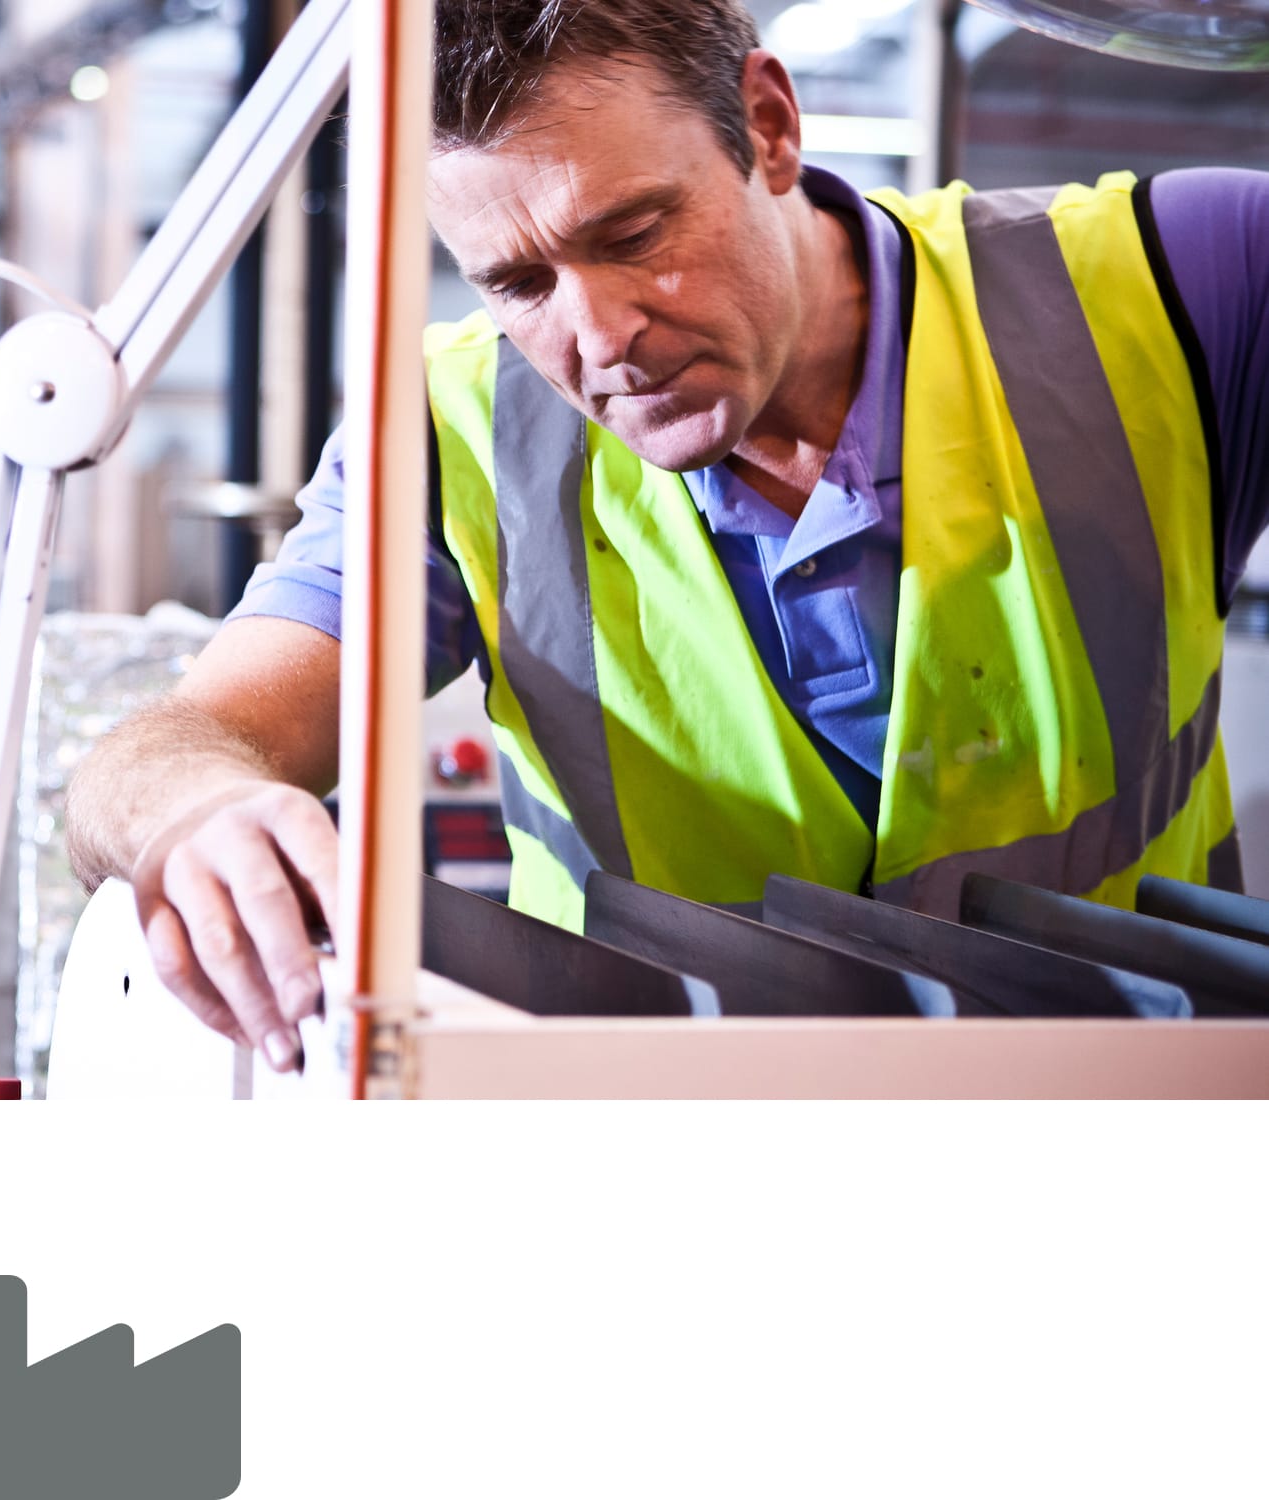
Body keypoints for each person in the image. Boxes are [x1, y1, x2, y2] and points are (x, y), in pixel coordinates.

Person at [62, 0, 1269, 1073]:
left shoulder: (1178, 289)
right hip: (662, 1160)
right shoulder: (447, 439)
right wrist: (193, 812)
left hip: (1132, 1127)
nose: (598, 335)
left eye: (635, 234)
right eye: (518, 285)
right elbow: (162, 751)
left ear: (769, 124)